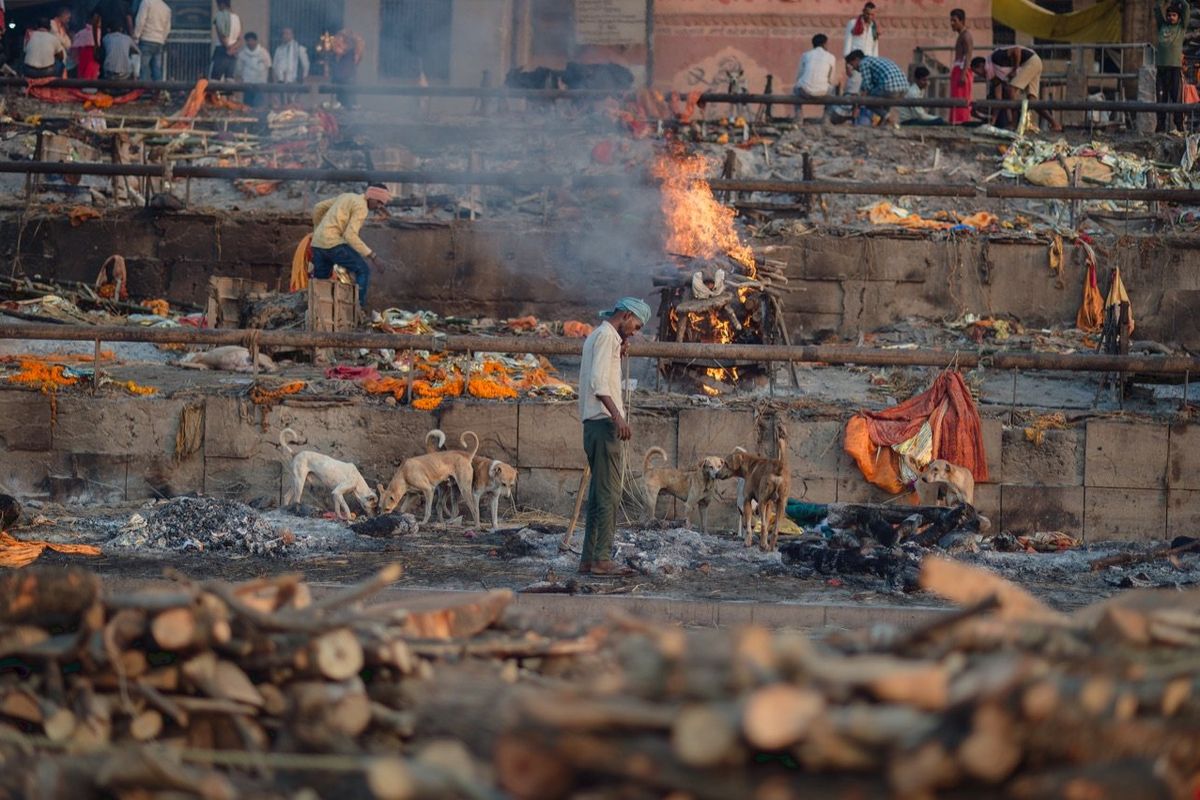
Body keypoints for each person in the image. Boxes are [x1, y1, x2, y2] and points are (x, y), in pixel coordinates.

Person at [577, 297, 649, 577]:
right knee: (609, 493)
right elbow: (598, 384)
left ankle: (588, 559)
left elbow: (601, 374)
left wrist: (618, 354)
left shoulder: (599, 335)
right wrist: (619, 418)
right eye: (636, 325)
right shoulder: (607, 336)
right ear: (627, 315)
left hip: (592, 425)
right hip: (605, 424)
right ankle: (602, 559)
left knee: (598, 494)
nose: (635, 331)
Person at [310, 185, 391, 309]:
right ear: (371, 197)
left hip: (317, 244)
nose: (379, 206)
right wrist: (373, 257)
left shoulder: (347, 196)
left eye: (382, 204)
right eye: (379, 202)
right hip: (334, 244)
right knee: (363, 270)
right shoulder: (362, 208)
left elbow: (318, 208)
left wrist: (318, 230)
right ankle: (358, 310)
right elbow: (350, 235)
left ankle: (319, 314)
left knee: (321, 282)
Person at [971, 46, 1061, 132]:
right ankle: (1055, 124)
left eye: (977, 72)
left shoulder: (996, 57)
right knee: (1032, 101)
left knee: (1011, 90)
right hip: (1035, 63)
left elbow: (1016, 50)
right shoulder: (994, 75)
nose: (979, 75)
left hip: (1030, 62)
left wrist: (1015, 69)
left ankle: (1014, 123)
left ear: (981, 65)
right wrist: (993, 121)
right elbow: (998, 99)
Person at [846, 50, 907, 126]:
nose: (853, 68)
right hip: (904, 88)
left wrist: (859, 101)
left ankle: (888, 118)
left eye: (852, 64)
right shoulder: (876, 60)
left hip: (889, 88)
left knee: (867, 101)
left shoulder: (863, 63)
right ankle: (884, 122)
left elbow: (867, 87)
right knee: (883, 100)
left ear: (857, 59)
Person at [1155, 0, 1190, 132]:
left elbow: (1186, 8)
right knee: (1160, 98)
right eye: (1169, 15)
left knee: (1176, 98)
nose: (1171, 17)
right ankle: (1160, 125)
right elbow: (1157, 8)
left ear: (1178, 17)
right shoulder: (1162, 26)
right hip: (1161, 69)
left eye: (1174, 15)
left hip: (1175, 69)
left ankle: (1179, 126)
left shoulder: (1181, 28)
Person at [793, 33, 837, 120]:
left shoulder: (806, 55)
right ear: (825, 44)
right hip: (822, 92)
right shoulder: (831, 57)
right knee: (833, 91)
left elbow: (799, 75)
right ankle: (826, 119)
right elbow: (831, 79)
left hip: (805, 91)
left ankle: (799, 118)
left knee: (795, 89)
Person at [132, 0, 169, 81]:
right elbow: (167, 28)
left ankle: (141, 91)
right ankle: (158, 91)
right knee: (156, 69)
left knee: (143, 69)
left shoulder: (146, 2)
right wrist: (162, 39)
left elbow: (140, 20)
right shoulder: (166, 8)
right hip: (159, 41)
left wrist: (136, 36)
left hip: (146, 39)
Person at [272, 27, 309, 105]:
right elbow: (275, 66)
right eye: (284, 34)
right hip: (281, 81)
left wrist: (302, 78)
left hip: (294, 81)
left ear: (292, 35)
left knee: (293, 104)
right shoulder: (279, 49)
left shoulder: (299, 48)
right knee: (282, 104)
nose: (285, 36)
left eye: (288, 33)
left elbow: (305, 65)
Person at [948, 9, 973, 125]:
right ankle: (955, 121)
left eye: (954, 20)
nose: (952, 23)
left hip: (962, 71)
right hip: (958, 70)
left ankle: (961, 122)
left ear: (962, 21)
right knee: (955, 97)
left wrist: (963, 74)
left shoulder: (966, 36)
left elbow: (968, 56)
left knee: (961, 99)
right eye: (951, 20)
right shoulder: (961, 35)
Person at [330, 27, 365, 108]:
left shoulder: (352, 54)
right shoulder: (334, 56)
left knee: (348, 109)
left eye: (339, 43)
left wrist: (349, 34)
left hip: (348, 88)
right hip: (337, 88)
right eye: (336, 43)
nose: (336, 45)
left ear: (346, 44)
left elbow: (359, 42)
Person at [234, 31, 270, 108]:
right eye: (248, 41)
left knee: (259, 106)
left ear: (256, 41)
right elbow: (239, 70)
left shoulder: (263, 53)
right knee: (248, 106)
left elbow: (269, 67)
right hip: (247, 84)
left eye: (252, 40)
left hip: (260, 84)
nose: (250, 42)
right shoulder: (242, 54)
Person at [210, 0, 241, 80]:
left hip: (221, 50)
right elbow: (239, 38)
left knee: (215, 80)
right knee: (229, 79)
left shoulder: (220, 15)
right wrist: (233, 50)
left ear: (222, 4)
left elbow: (221, 34)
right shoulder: (236, 18)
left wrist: (228, 48)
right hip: (233, 52)